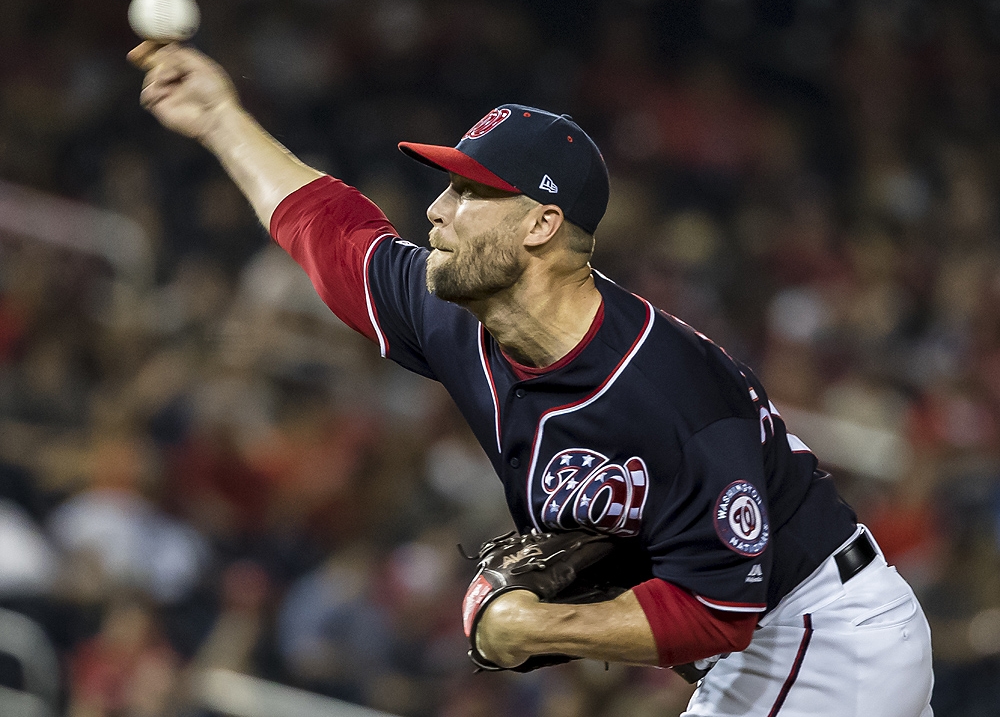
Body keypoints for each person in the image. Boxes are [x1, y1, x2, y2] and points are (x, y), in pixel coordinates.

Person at [129, 41, 934, 717]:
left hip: (821, 637)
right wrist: (218, 119)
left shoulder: (670, 391)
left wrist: (529, 629)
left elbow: (718, 611)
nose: (437, 211)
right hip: (772, 647)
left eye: (468, 191)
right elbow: (328, 230)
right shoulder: (459, 316)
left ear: (542, 225)